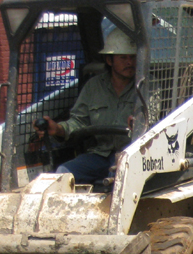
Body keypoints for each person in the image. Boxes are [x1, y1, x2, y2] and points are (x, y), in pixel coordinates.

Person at [38, 28, 135, 185]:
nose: (129, 62)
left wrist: (139, 125)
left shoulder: (147, 85)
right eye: (123, 58)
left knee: (123, 180)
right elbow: (79, 122)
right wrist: (58, 129)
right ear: (109, 61)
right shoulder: (93, 87)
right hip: (100, 156)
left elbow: (153, 122)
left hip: (133, 156)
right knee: (63, 174)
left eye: (133, 57)